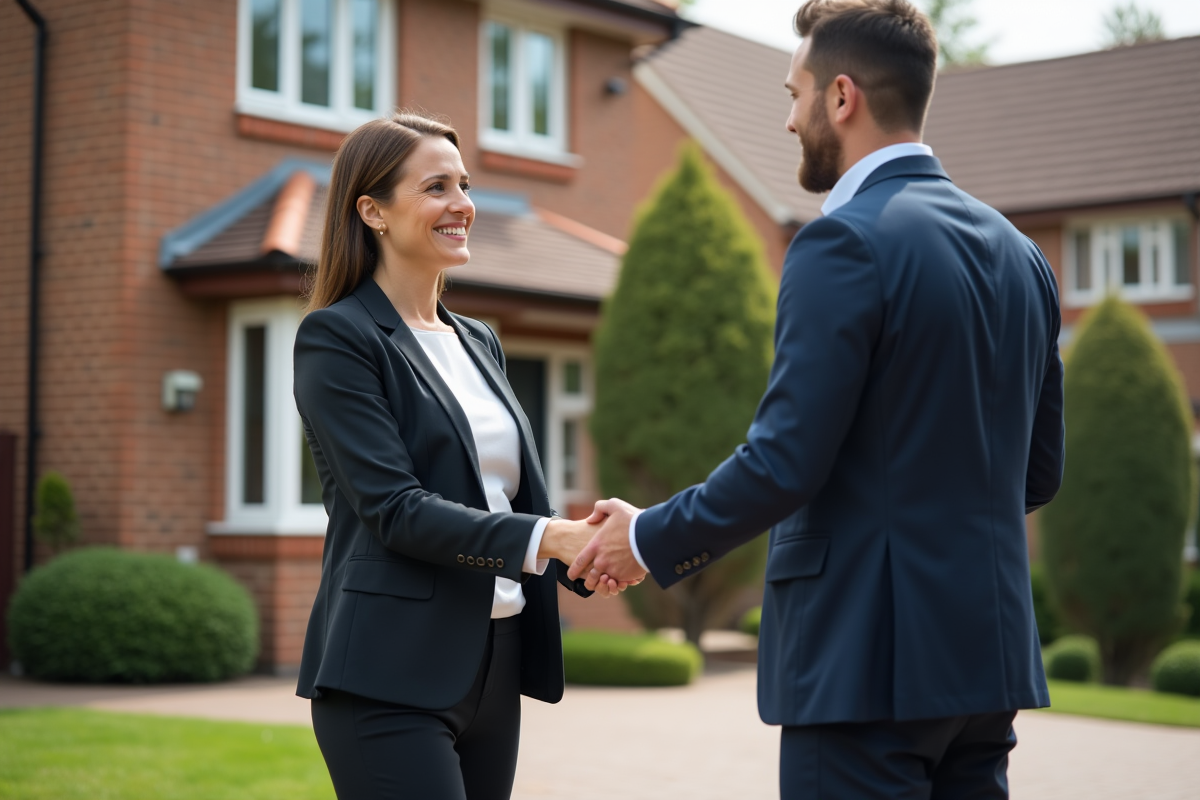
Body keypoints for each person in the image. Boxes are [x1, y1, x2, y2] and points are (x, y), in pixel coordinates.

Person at [571, 1, 1065, 797]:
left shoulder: (842, 241)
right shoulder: (1023, 257)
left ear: (842, 97)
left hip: (864, 663)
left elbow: (785, 461)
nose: (790, 119)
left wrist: (652, 536)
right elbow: (1037, 475)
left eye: (794, 94)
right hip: (987, 666)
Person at [293, 111, 628, 800]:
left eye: (465, 184)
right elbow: (396, 510)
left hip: (494, 661)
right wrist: (550, 538)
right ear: (373, 212)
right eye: (437, 186)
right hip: (387, 670)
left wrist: (583, 552)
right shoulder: (339, 339)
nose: (463, 205)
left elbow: (506, 497)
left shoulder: (477, 340)